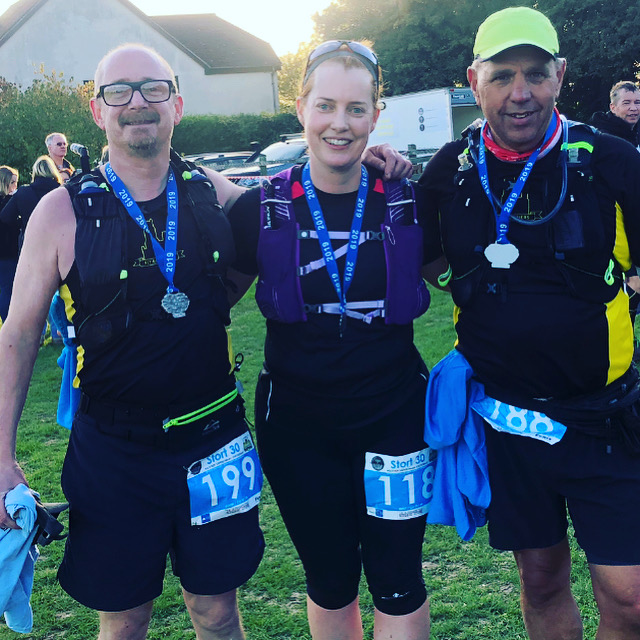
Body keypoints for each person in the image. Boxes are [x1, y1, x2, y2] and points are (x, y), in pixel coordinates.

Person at [0, 44, 266, 640]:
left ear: (177, 104)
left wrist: (369, 159)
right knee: (123, 622)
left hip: (214, 438)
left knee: (217, 612)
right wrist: (1, 456)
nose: (137, 103)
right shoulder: (60, 211)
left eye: (153, 88)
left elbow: (289, 214)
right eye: (118, 91)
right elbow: (17, 334)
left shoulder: (212, 192)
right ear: (97, 110)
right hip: (113, 451)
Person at [419, 7, 640, 639]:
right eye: (503, 76)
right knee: (540, 579)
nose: (521, 93)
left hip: (605, 418)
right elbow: (425, 260)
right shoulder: (449, 171)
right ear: (474, 81)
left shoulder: (612, 160)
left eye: (536, 74)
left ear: (560, 76)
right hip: (511, 423)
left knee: (629, 598)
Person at [225, 41, 442, 640]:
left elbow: (466, 283)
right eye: (325, 106)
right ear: (301, 108)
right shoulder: (259, 208)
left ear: (377, 114)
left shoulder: (410, 201)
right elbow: (210, 305)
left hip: (395, 419)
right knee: (329, 579)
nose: (339, 124)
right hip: (297, 429)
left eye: (355, 108)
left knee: (398, 579)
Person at [0, 156, 61, 250]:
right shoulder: (63, 192)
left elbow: (5, 217)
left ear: (35, 172)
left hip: (31, 243)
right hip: (57, 242)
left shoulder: (23, 192)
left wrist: (24, 222)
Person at [590, 81, 640, 150]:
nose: (633, 108)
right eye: (626, 103)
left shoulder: (635, 135)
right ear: (613, 108)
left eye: (637, 103)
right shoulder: (603, 139)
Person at [0, 165, 19, 322]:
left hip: (6, 252)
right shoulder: (7, 202)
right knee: (7, 289)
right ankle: (7, 322)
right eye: (12, 182)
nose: (15, 186)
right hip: (7, 252)